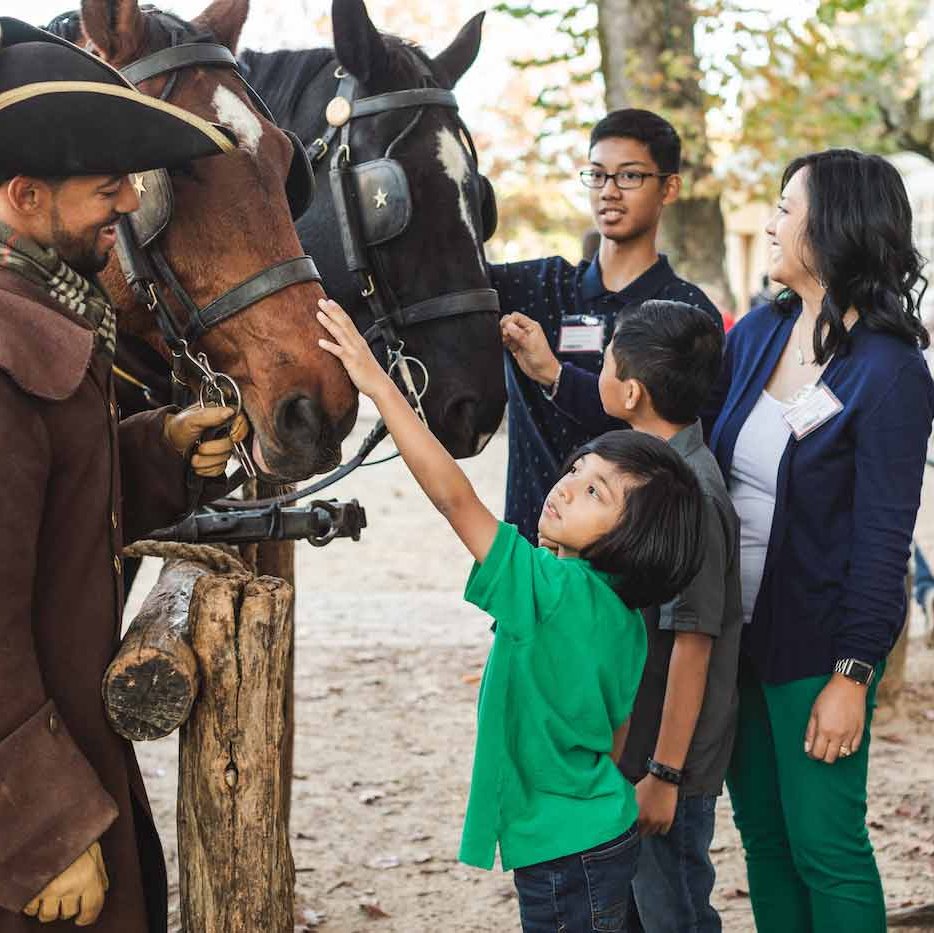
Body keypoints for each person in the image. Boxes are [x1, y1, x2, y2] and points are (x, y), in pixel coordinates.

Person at [314, 297, 705, 933]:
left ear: (631, 540)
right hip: (600, 830)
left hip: (562, 850)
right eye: (580, 470)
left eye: (595, 494)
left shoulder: (547, 590)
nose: (568, 485)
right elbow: (614, 735)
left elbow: (453, 498)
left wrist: (377, 382)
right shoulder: (625, 618)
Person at [0, 20, 248, 933]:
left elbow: (57, 520)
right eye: (106, 182)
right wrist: (42, 822)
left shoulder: (39, 315)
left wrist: (158, 450)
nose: (129, 200)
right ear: (25, 194)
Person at [704, 148, 934, 932]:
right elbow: (679, 436)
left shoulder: (890, 369)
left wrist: (852, 673)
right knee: (764, 842)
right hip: (737, 640)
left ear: (832, 227)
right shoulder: (755, 334)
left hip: (818, 652)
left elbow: (882, 541)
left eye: (785, 208)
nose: (769, 223)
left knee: (826, 846)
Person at [491, 108, 721, 543]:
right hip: (527, 561)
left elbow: (668, 440)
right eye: (597, 176)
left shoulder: (688, 312)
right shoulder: (537, 287)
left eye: (630, 176)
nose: (609, 192)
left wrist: (555, 377)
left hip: (623, 580)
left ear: (669, 187)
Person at [598, 300, 742, 932]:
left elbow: (693, 643)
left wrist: (663, 773)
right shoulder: (646, 477)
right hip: (637, 750)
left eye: (604, 360)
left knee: (673, 913)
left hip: (669, 764)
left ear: (630, 391)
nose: (597, 370)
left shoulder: (694, 495)